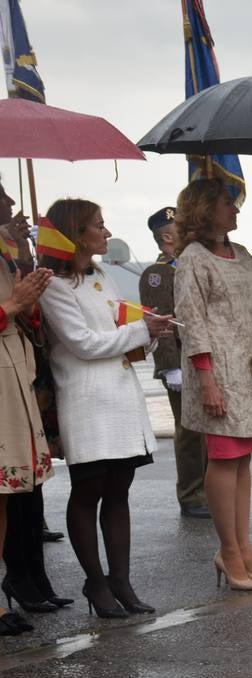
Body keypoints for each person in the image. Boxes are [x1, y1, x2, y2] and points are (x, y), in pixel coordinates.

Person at [38, 199, 175, 617]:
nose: (106, 230)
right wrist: (138, 329)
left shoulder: (100, 275)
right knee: (88, 491)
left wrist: (148, 332)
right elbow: (83, 343)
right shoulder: (54, 285)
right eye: (98, 225)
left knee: (119, 491)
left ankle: (121, 580)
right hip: (86, 399)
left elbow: (118, 329)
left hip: (118, 394)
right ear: (78, 233)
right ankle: (95, 583)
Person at [173, 179, 252, 590]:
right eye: (228, 203)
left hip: (248, 370)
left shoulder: (241, 254)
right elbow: (192, 320)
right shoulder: (192, 258)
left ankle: (242, 551)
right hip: (217, 370)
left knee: (242, 462)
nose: (236, 210)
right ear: (205, 209)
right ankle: (230, 551)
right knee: (224, 458)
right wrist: (205, 378)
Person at [0, 181, 56, 635]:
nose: (11, 203)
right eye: (1, 194)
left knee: (6, 496)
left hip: (13, 367)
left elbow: (28, 315)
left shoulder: (3, 250)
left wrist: (21, 257)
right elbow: (11, 308)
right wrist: (11, 306)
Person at [140, 206, 209, 518]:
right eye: (180, 226)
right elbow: (160, 321)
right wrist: (170, 366)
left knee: (206, 429)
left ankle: (207, 489)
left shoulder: (189, 264)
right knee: (190, 431)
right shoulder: (158, 273)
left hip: (201, 356)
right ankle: (192, 494)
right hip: (180, 360)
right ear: (167, 236)